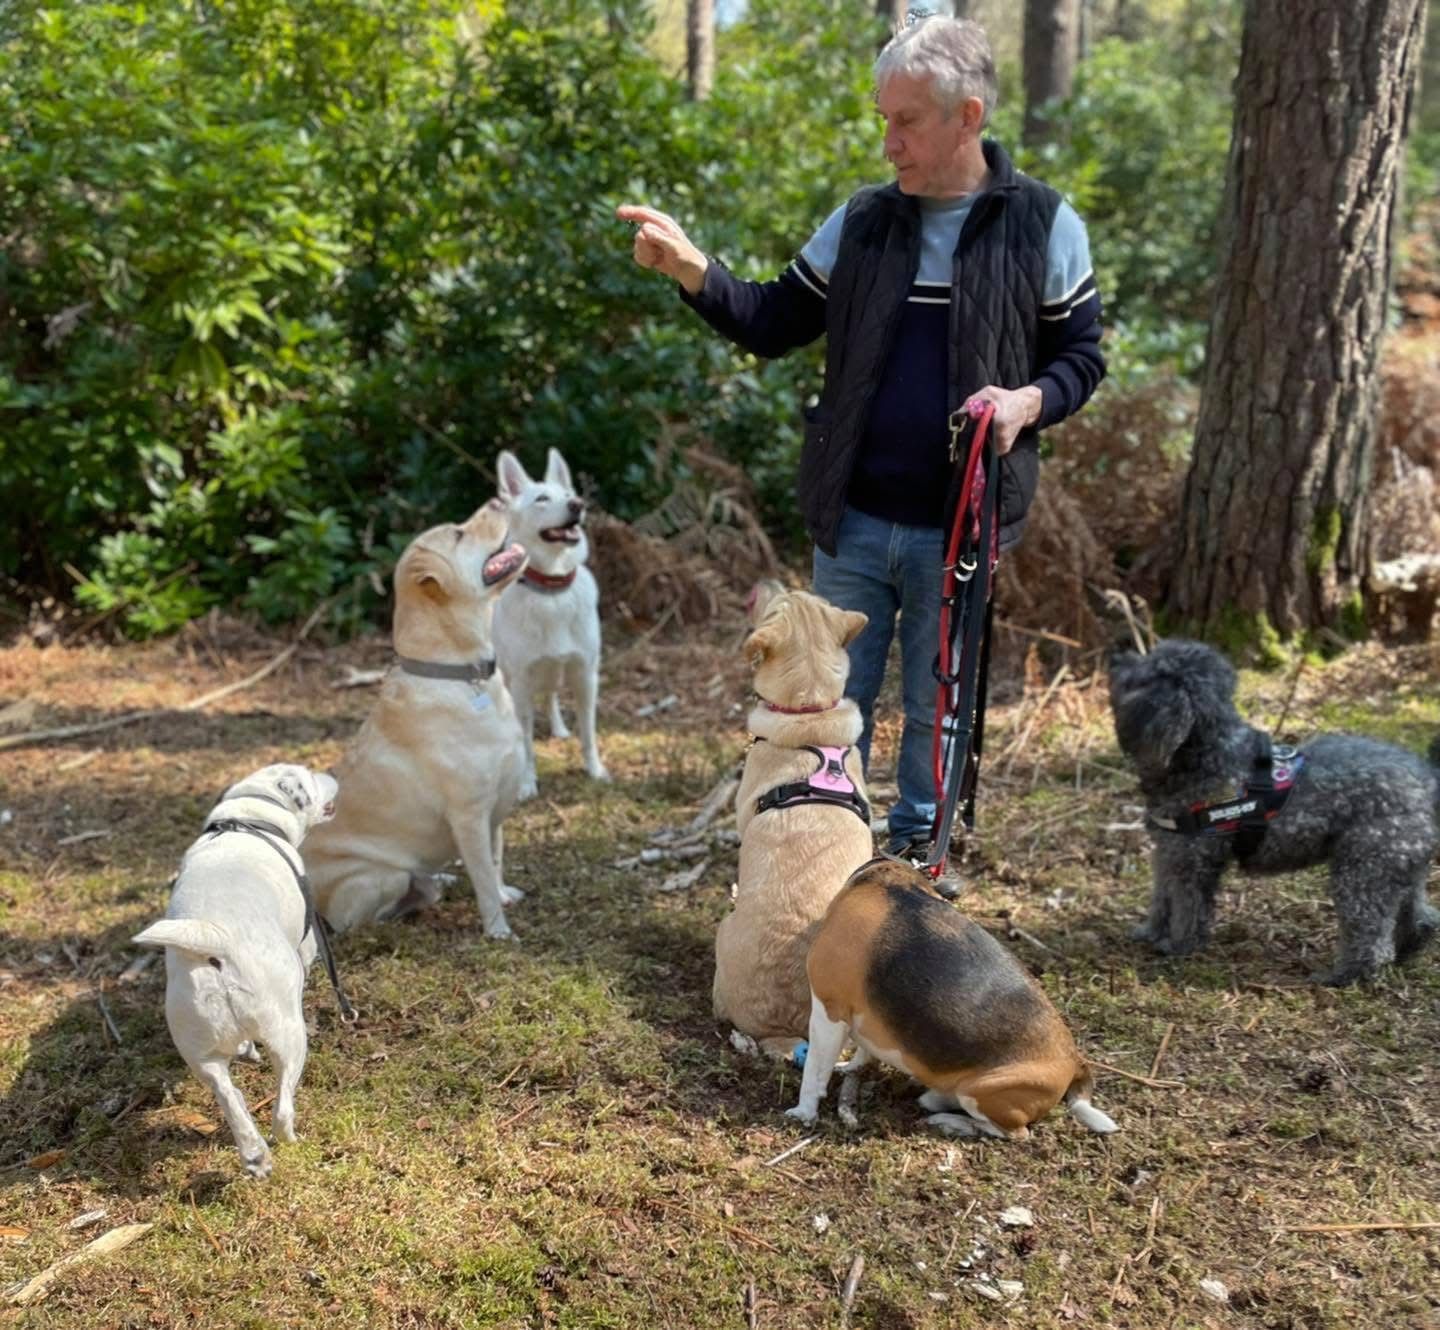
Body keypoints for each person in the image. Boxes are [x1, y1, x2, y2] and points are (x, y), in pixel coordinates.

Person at [617, 16, 1104, 861]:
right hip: (853, 517)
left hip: (961, 524)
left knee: (936, 701)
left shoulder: (1044, 226)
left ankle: (920, 861)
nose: (888, 143)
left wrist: (1028, 402)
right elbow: (773, 321)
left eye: (905, 121)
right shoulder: (864, 221)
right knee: (826, 703)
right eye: (884, 119)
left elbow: (1083, 358)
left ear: (968, 115)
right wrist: (692, 269)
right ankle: (829, 846)